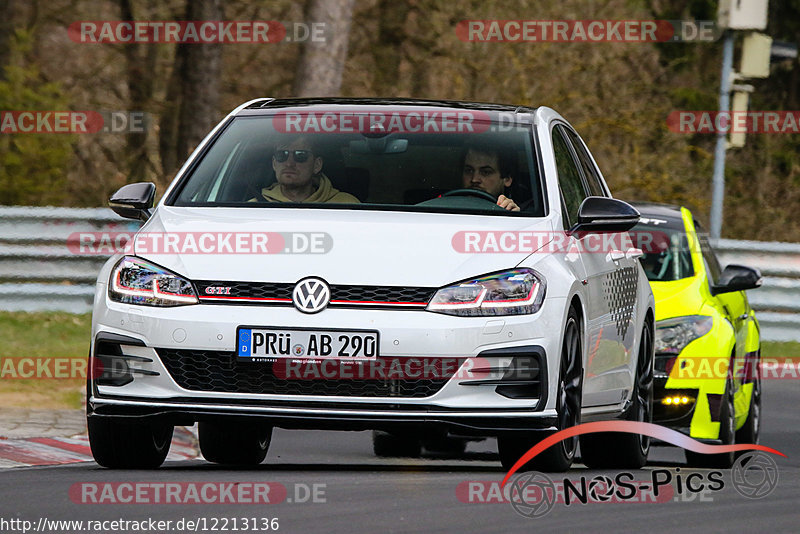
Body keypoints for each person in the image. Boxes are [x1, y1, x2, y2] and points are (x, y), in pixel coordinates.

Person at [259, 136, 359, 203]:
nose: (289, 163)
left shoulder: (348, 204)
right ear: (274, 164)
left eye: (300, 155)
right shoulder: (252, 207)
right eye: (282, 155)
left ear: (317, 165)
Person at [461, 145, 519, 211]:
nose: (474, 179)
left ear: (507, 179)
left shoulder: (521, 213)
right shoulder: (447, 208)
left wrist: (511, 215)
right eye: (469, 170)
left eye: (485, 172)